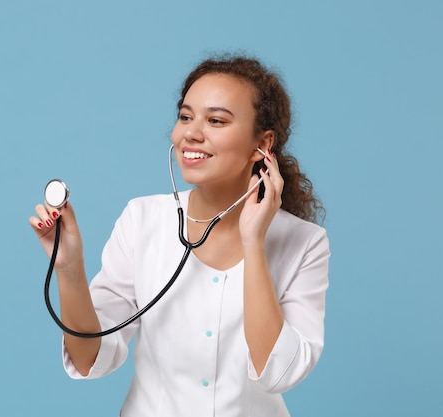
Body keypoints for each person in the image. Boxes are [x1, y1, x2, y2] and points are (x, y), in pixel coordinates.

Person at [29, 54, 330, 417]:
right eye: (186, 116)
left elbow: (277, 373)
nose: (191, 132)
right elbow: (90, 358)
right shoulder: (142, 220)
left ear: (262, 145)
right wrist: (70, 268)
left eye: (216, 120)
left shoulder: (304, 242)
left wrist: (253, 241)